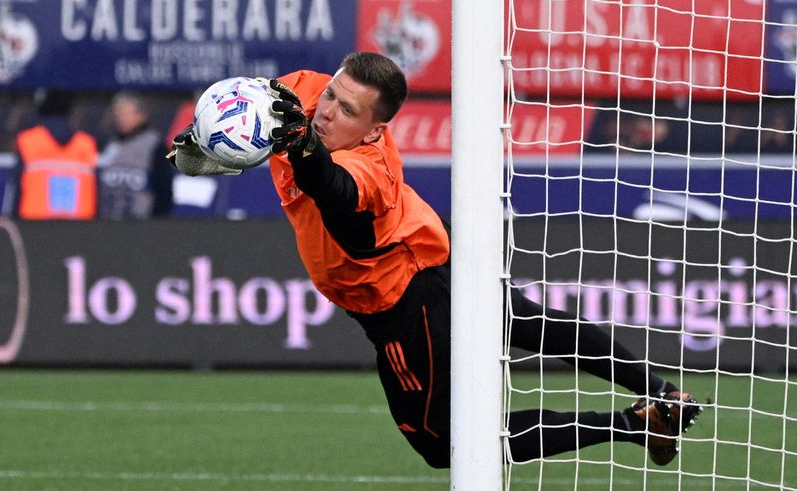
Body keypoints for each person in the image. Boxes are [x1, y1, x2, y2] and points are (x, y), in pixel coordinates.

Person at [169, 52, 703, 469]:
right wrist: (204, 136)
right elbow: (245, 110)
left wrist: (304, 147)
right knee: (531, 323)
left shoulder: (369, 167)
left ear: (375, 130)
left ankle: (636, 425)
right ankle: (658, 388)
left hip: (406, 300)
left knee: (443, 443)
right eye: (332, 95)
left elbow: (332, 192)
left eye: (348, 111)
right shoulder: (303, 92)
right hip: (434, 249)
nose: (329, 111)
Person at [12, 89, 99, 219]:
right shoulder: (87, 144)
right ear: (70, 111)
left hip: (34, 227)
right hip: (80, 227)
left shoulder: (28, 141)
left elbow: (16, 188)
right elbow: (96, 191)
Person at [98, 91, 173, 219]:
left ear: (141, 115)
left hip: (140, 226)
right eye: (118, 113)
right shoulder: (106, 144)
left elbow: (164, 192)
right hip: (106, 223)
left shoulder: (155, 147)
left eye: (126, 114)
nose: (121, 118)